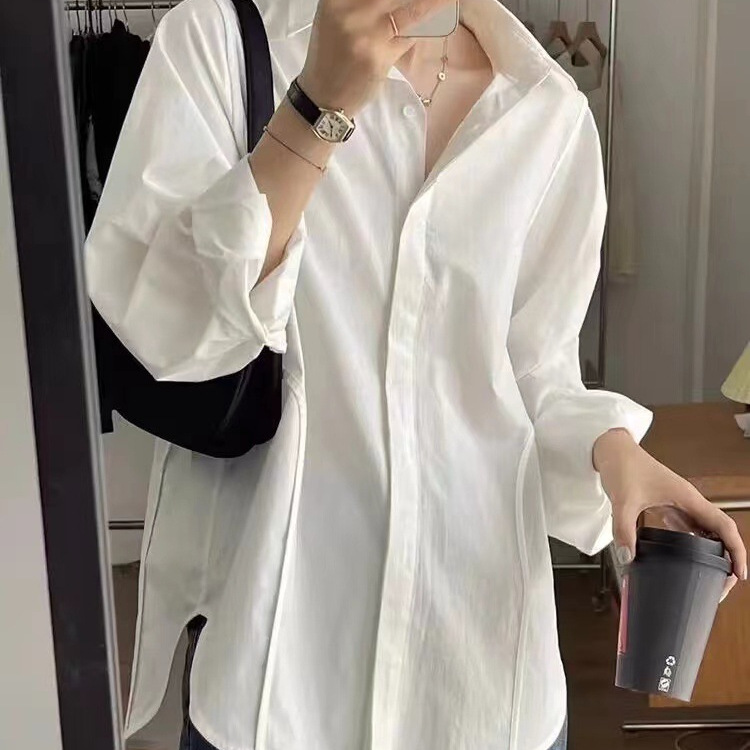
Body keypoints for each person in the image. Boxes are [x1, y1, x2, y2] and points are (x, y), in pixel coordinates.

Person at [85, 0, 747, 749]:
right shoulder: (218, 44)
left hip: (483, 688)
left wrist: (615, 454)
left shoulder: (547, 113)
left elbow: (534, 375)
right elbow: (162, 333)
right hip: (277, 683)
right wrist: (315, 110)